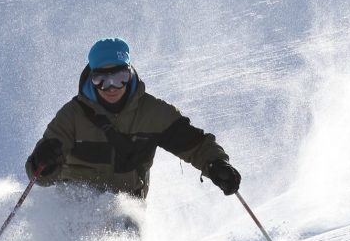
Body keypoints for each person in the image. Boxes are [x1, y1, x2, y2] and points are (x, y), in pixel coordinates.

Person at [26, 37, 241, 200]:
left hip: (124, 203)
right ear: (92, 79)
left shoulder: (153, 114)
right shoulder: (72, 116)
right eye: (101, 79)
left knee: (124, 232)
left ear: (130, 74)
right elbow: (40, 176)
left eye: (120, 78)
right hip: (75, 199)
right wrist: (42, 162)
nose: (111, 88)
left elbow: (196, 146)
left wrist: (216, 165)